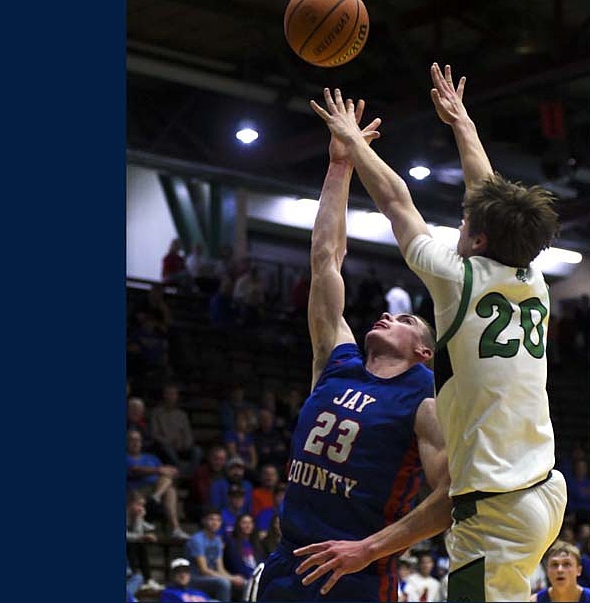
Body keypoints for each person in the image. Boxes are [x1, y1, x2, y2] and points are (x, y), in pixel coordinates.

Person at [304, 67, 568, 602]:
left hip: (495, 507)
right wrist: (462, 124)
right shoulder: (532, 278)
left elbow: (398, 201)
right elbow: (485, 193)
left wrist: (353, 144)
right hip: (544, 488)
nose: (460, 226)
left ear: (479, 237)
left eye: (468, 224)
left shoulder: (456, 277)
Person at [252, 95, 452, 602]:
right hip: (286, 564)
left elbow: (451, 497)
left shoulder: (427, 401)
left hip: (355, 577)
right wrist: (339, 164)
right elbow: (326, 259)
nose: (387, 316)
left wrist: (368, 549)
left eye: (405, 319)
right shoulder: (335, 361)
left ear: (424, 352)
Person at [126, 429, 190, 540]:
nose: (135, 442)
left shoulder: (151, 457)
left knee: (170, 488)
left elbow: (164, 472)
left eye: (138, 440)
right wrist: (158, 470)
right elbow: (134, 470)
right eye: (132, 440)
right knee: (167, 484)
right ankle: (155, 498)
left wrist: (172, 471)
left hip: (156, 488)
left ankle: (176, 529)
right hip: (136, 490)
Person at [186, 507, 247, 602]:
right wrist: (230, 578)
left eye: (218, 520)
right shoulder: (197, 540)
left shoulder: (217, 541)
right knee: (224, 583)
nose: (215, 523)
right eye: (211, 519)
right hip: (194, 578)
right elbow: (204, 570)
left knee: (243, 583)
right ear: (204, 521)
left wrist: (234, 578)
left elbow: (220, 569)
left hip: (211, 577)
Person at [150, 384, 201, 474]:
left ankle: (189, 473)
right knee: (167, 448)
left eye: (173, 394)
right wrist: (169, 441)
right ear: (164, 395)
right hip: (166, 446)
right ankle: (180, 470)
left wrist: (185, 444)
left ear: (177, 396)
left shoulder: (182, 415)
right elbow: (155, 434)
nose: (171, 396)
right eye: (168, 394)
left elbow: (188, 434)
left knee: (197, 451)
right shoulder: (156, 413)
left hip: (181, 446)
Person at [126, 490, 160, 592]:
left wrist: (139, 518)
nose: (141, 508)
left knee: (139, 544)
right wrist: (140, 537)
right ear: (129, 504)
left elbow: (141, 531)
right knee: (134, 544)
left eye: (142, 505)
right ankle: (132, 576)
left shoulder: (135, 515)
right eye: (138, 504)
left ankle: (148, 579)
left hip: (131, 544)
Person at [225, 513, 268, 590]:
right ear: (238, 525)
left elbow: (262, 562)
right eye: (244, 523)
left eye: (250, 523)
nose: (248, 525)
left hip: (258, 577)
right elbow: (236, 566)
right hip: (243, 578)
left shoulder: (255, 542)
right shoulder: (232, 543)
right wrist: (254, 577)